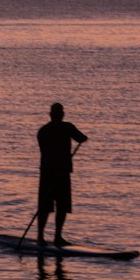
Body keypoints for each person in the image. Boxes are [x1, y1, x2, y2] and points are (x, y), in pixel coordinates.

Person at [36, 102, 87, 247]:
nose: (59, 116)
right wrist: (55, 170)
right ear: (51, 115)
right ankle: (40, 236)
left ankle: (57, 236)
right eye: (57, 114)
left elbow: (81, 138)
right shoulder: (44, 132)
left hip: (63, 173)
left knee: (62, 206)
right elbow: (45, 153)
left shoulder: (67, 127)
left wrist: (82, 138)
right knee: (45, 206)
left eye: (60, 113)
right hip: (48, 173)